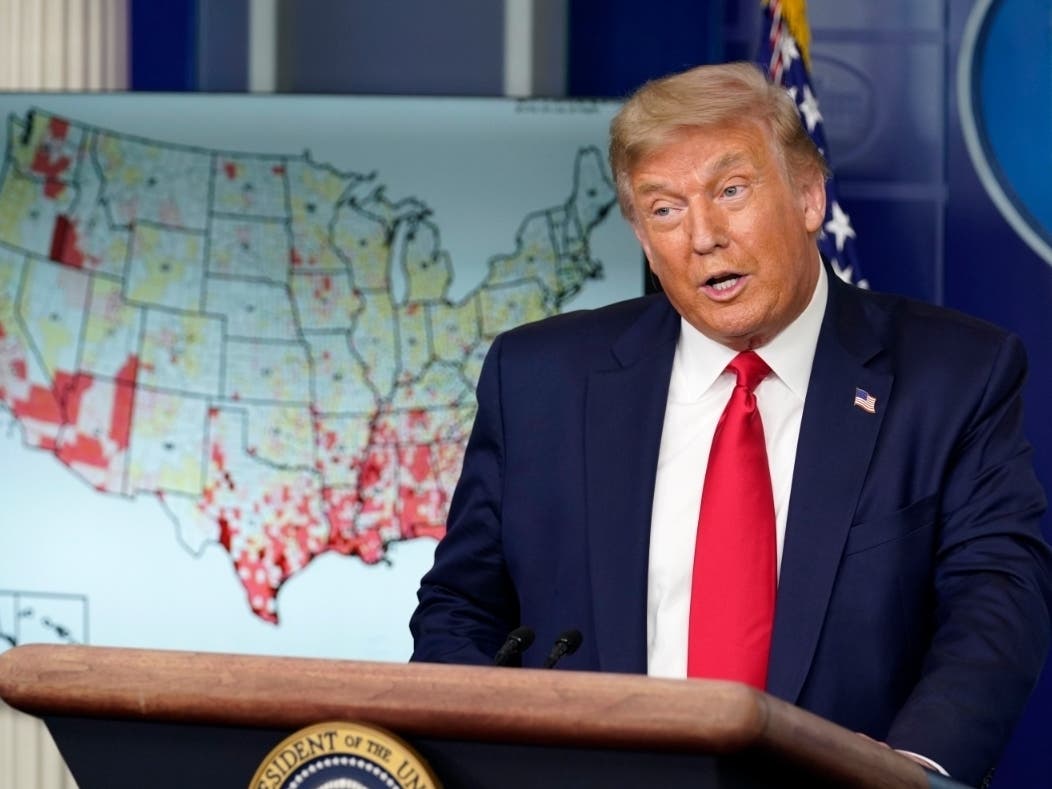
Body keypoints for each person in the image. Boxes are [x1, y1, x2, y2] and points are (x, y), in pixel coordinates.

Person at [409, 61, 1052, 786]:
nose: (703, 236)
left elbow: (996, 600)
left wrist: (904, 776)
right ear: (643, 240)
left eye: (731, 191)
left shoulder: (954, 375)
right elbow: (462, 606)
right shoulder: (540, 378)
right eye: (664, 210)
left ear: (809, 196)